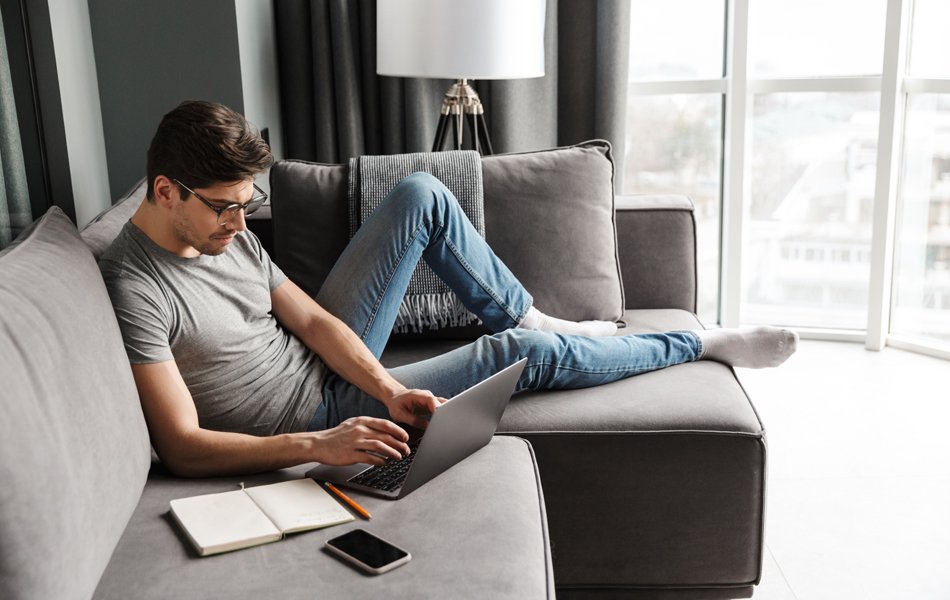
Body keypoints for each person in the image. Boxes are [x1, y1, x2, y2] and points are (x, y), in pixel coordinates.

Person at [100, 100, 797, 478]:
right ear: (166, 191)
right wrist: (322, 443)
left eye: (247, 205)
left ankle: (538, 314)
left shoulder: (223, 232)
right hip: (309, 413)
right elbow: (184, 445)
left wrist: (385, 385)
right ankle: (697, 342)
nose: (240, 222)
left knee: (420, 195)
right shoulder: (136, 288)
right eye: (227, 207)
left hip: (326, 367)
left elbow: (312, 323)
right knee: (522, 355)